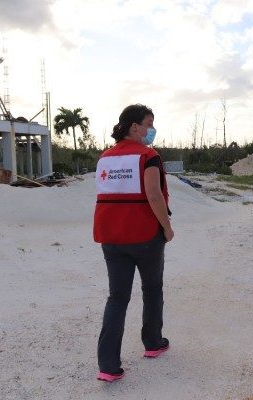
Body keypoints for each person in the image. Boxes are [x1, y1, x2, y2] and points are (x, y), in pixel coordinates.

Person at [93, 104, 174, 382]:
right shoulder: (148, 156)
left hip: (111, 237)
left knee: (117, 297)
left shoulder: (105, 157)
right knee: (152, 288)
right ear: (134, 126)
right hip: (144, 236)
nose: (151, 130)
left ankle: (108, 366)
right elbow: (154, 195)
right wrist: (167, 227)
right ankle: (152, 343)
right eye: (148, 124)